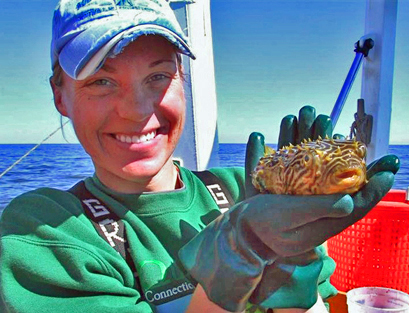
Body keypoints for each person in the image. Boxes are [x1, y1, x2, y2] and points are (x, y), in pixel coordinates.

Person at [0, 0, 400, 312]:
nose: (137, 109)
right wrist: (237, 259)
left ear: (183, 81)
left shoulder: (244, 190)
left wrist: (293, 268)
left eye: (158, 76)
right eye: (102, 81)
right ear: (60, 96)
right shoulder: (42, 233)